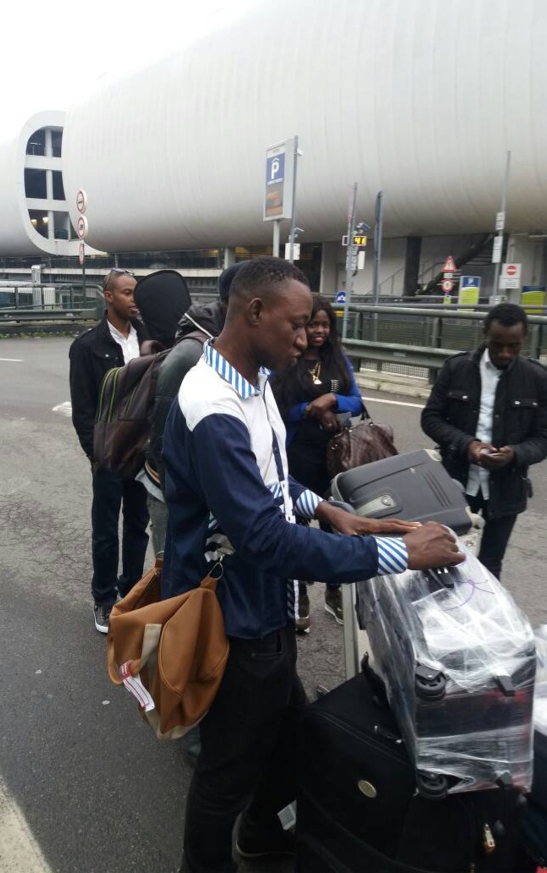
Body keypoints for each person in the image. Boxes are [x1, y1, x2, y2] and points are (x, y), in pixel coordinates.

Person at [161, 256, 463, 873]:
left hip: (265, 609)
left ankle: (263, 833)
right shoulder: (213, 406)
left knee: (291, 736)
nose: (306, 339)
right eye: (297, 325)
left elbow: (272, 480)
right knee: (225, 773)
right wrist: (399, 551)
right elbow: (265, 538)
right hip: (233, 621)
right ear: (254, 313)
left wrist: (328, 508)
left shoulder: (253, 384)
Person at [421, 301, 547, 580]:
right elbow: (431, 418)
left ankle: (483, 623)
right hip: (455, 483)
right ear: (485, 334)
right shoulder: (457, 368)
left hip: (506, 489)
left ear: (524, 339)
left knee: (490, 567)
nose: (504, 353)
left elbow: (542, 438)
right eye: (497, 344)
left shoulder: (537, 378)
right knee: (444, 560)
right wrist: (467, 445)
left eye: (513, 346)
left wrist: (514, 453)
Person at [139, 261, 249, 554]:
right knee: (178, 587)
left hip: (213, 495)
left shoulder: (242, 352)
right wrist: (184, 506)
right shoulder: (189, 356)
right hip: (177, 497)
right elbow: (165, 442)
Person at [271, 294, 363, 630]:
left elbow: (356, 402)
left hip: (335, 457)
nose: (319, 330)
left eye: (325, 324)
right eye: (313, 324)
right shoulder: (288, 359)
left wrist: (332, 398)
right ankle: (301, 595)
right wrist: (311, 410)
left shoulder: (337, 361)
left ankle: (335, 593)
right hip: (297, 455)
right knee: (298, 527)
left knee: (336, 526)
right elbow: (278, 406)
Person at [69, 268, 150, 633]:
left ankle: (131, 591)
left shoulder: (150, 337)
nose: (135, 299)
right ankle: (103, 599)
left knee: (138, 525)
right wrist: (95, 454)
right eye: (128, 292)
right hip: (108, 454)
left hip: (143, 452)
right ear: (108, 296)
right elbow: (83, 410)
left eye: (136, 293)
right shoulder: (87, 347)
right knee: (105, 530)